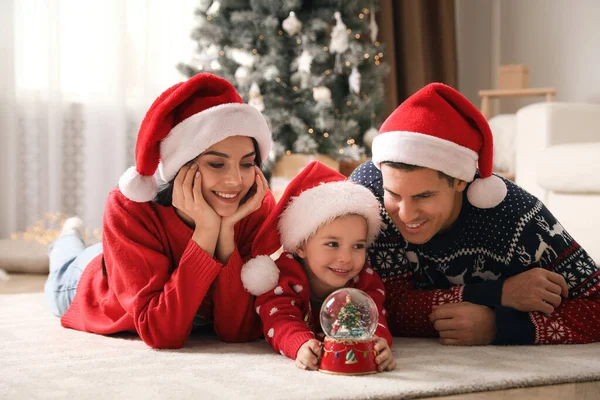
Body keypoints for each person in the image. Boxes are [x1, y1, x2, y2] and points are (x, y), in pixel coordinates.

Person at [350, 82, 600, 345]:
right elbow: (375, 306)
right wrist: (499, 294)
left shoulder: (515, 214)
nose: (406, 214)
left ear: (461, 180)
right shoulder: (369, 198)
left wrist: (499, 327)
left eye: (424, 196)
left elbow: (595, 306)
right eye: (395, 194)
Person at [44, 73, 278, 349]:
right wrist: (206, 230)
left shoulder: (254, 205)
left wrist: (225, 236)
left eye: (247, 164)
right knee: (65, 263)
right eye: (217, 164)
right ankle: (66, 235)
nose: (236, 181)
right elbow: (161, 333)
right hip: (92, 283)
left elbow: (237, 331)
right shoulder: (129, 205)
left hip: (133, 254)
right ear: (181, 166)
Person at [241, 161, 396, 371]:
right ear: (302, 246)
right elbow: (280, 319)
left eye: (358, 246)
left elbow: (374, 315)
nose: (345, 258)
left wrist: (379, 341)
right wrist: (301, 344)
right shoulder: (285, 277)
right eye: (332, 244)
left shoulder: (363, 278)